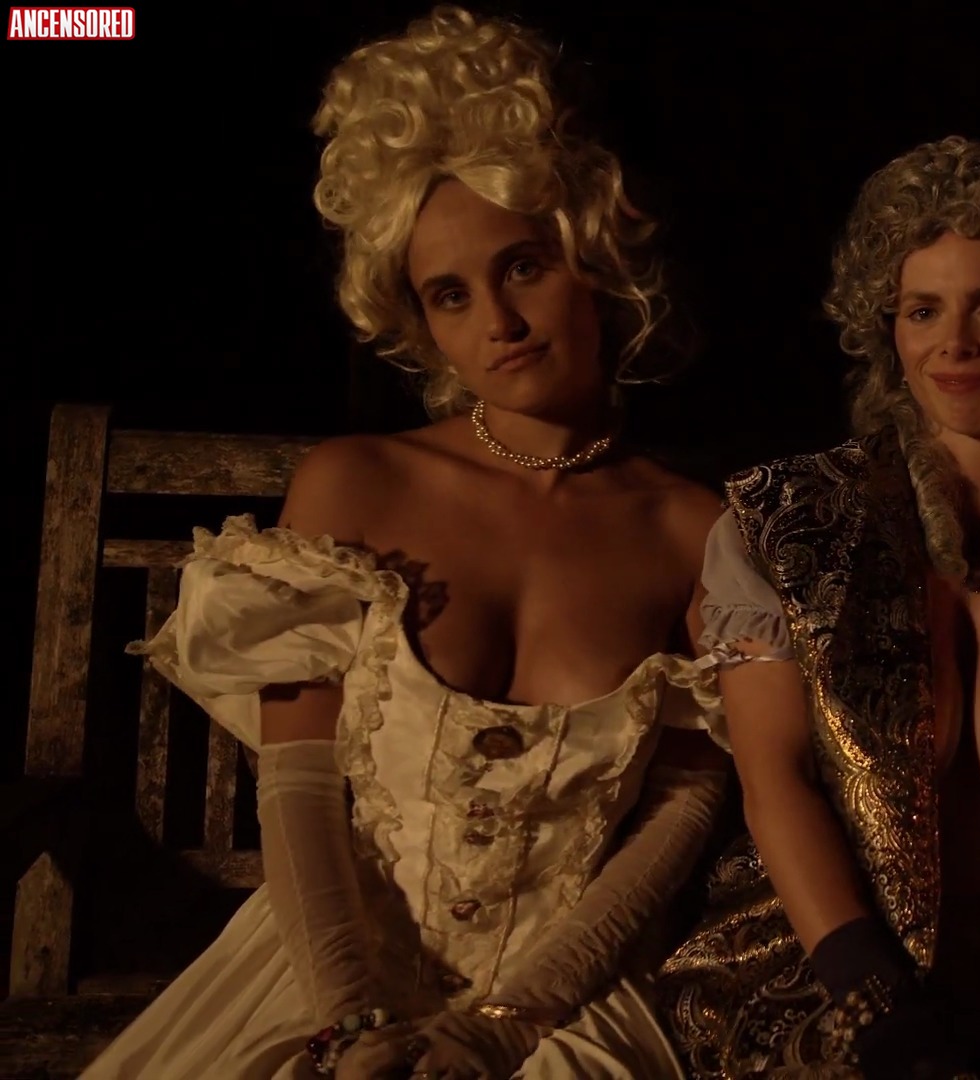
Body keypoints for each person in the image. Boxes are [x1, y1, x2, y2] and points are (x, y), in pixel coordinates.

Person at [82, 7, 728, 1078]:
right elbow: (299, 788)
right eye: (450, 295)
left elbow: (684, 808)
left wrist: (507, 1023)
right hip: (330, 974)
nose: (498, 322)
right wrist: (347, 1023)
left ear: (594, 258)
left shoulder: (690, 526)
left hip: (563, 1002)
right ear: (420, 322)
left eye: (524, 266)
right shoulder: (359, 483)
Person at [654, 135, 980, 1079]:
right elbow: (774, 780)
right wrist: (872, 997)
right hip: (824, 958)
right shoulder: (785, 523)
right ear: (887, 328)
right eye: (923, 310)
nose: (954, 343)